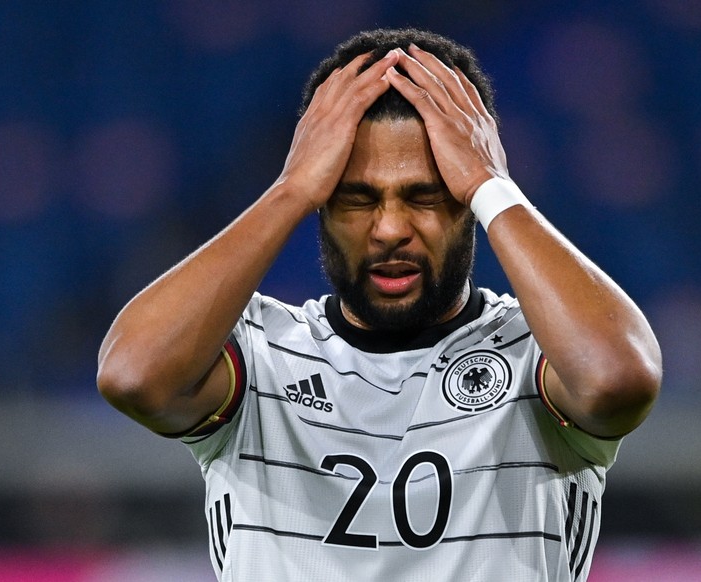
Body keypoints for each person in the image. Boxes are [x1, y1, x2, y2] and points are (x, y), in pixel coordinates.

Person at [97, 28, 662, 582]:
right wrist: (290, 189)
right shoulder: (260, 353)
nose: (390, 228)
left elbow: (616, 380)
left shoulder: (535, 354)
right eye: (355, 200)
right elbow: (132, 375)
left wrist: (492, 184)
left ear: (467, 206)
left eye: (426, 197)